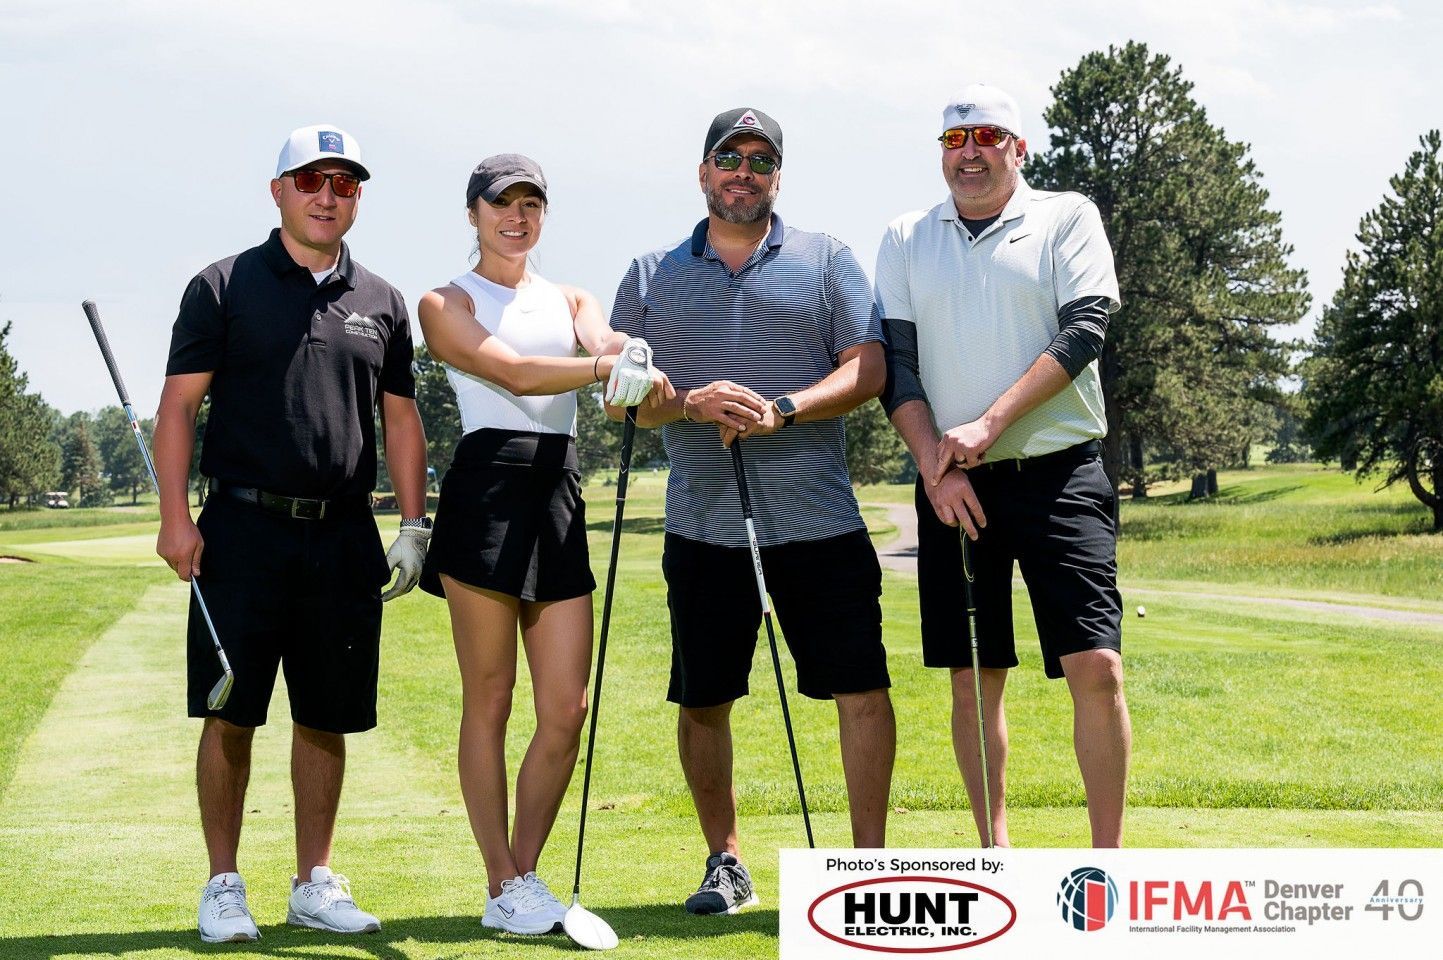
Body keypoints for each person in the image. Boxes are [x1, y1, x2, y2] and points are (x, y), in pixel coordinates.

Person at [609, 108, 896, 915]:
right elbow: (623, 403)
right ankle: (724, 861)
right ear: (702, 172)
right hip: (702, 523)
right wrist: (688, 403)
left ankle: (867, 867)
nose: (744, 171)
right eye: (728, 158)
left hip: (818, 521)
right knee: (704, 697)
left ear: (777, 175)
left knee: (859, 689)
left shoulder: (827, 259)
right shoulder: (648, 273)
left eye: (761, 160)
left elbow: (868, 368)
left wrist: (783, 408)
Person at [153, 124, 430, 943]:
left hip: (342, 534)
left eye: (344, 184)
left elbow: (402, 416)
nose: (327, 196)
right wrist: (175, 517)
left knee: (326, 714)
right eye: (312, 180)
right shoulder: (223, 284)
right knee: (232, 711)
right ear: (279, 191)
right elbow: (178, 406)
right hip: (242, 527)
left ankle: (314, 881)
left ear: (357, 199)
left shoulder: (381, 300)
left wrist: (414, 523)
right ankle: (224, 884)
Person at [416, 154, 671, 936]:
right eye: (501, 204)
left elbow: (606, 343)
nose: (516, 217)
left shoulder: (571, 298)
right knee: (490, 699)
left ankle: (519, 880)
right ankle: (500, 875)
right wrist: (603, 365)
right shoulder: (443, 302)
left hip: (557, 487)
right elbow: (517, 375)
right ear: (473, 213)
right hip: (486, 488)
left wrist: (634, 364)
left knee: (567, 705)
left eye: (530, 204)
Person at [874, 84, 1132, 848]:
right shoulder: (905, 235)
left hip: (1059, 473)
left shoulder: (1065, 216)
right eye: (954, 141)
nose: (971, 153)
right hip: (952, 485)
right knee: (973, 676)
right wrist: (934, 465)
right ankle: (995, 859)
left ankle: (1106, 866)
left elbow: (1085, 329)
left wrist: (990, 421)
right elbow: (897, 363)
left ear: (1019, 149)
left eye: (988, 137)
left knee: (1096, 667)